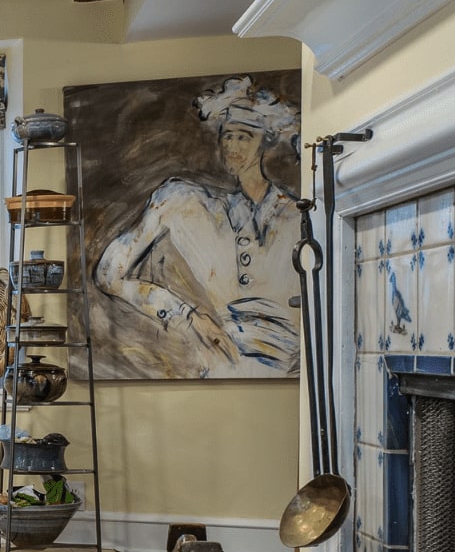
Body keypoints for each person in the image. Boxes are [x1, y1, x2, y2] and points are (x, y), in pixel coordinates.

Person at [93, 77, 303, 376]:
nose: (231, 146)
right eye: (226, 136)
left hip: (293, 367)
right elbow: (108, 274)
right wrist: (186, 315)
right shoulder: (188, 202)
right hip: (226, 363)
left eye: (244, 137)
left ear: (266, 142)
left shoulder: (297, 214)